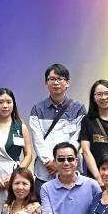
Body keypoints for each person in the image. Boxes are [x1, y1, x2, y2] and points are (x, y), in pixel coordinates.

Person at [29, 63, 86, 198]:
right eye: (52, 79)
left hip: (71, 169)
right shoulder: (37, 109)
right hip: (45, 171)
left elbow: (78, 138)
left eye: (60, 79)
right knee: (45, 208)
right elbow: (37, 140)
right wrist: (50, 162)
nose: (56, 82)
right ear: (46, 83)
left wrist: (63, 160)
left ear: (67, 83)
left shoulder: (79, 108)